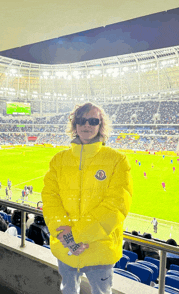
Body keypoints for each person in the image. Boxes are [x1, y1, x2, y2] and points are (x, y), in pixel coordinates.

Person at [41, 102, 133, 294]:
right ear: (75, 125)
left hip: (100, 248)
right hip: (65, 246)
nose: (87, 125)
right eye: (81, 120)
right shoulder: (58, 160)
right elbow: (50, 199)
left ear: (100, 125)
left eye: (93, 121)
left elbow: (117, 205)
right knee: (68, 290)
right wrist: (67, 237)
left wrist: (75, 236)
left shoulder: (117, 160)